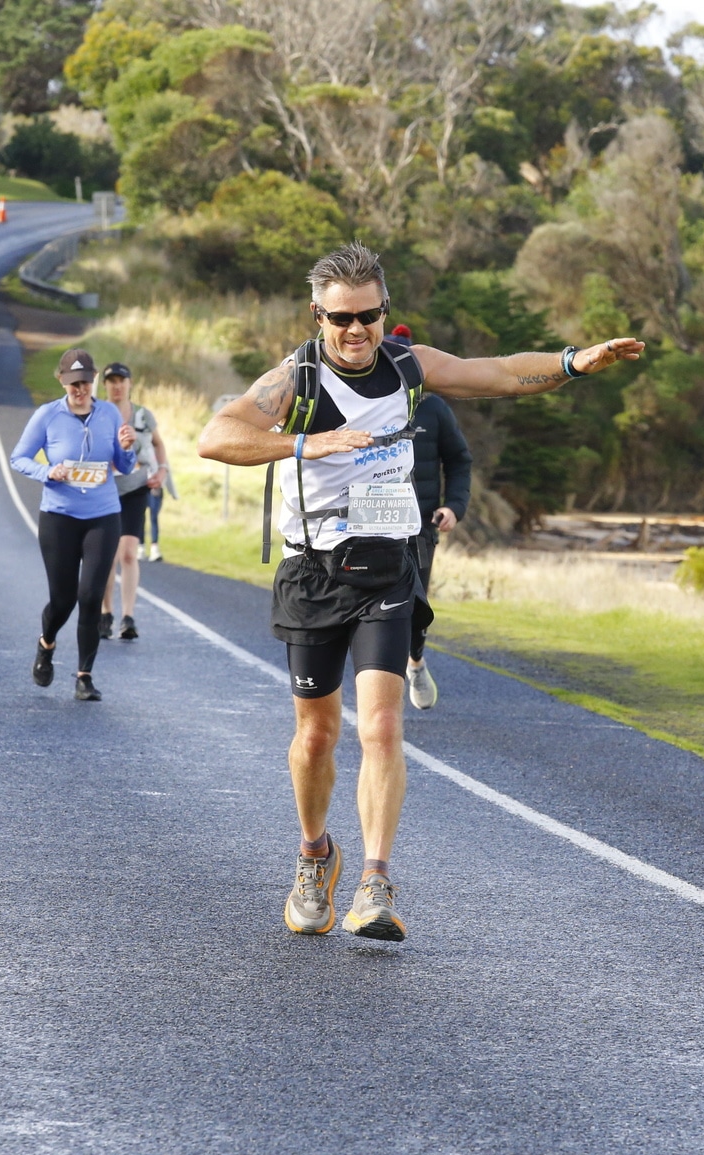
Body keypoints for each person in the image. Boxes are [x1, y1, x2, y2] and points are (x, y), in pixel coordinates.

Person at [198, 242, 643, 942]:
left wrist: (570, 363)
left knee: (379, 726)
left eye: (369, 316)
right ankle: (317, 855)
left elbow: (494, 374)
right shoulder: (295, 381)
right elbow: (216, 436)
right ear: (317, 315)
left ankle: (375, 881)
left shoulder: (408, 366)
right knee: (317, 736)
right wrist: (305, 445)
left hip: (387, 568)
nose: (356, 331)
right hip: (313, 574)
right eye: (341, 318)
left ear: (384, 312)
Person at [9, 347, 138, 701]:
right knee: (63, 599)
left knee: (91, 596)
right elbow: (18, 457)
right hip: (59, 517)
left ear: (93, 380)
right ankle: (46, 643)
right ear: (61, 382)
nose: (79, 390)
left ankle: (84, 676)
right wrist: (47, 471)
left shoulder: (109, 413)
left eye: (84, 382)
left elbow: (124, 466)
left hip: (103, 514)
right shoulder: (47, 415)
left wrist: (128, 448)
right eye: (72, 384)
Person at [401, 391, 471, 710]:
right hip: (364, 527)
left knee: (415, 608)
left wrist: (454, 506)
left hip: (420, 529)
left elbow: (459, 460)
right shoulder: (360, 399)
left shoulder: (433, 407)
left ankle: (415, 662)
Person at [99, 362, 169, 641]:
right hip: (104, 491)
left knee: (128, 553)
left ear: (129, 384)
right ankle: (106, 612)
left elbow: (158, 444)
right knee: (107, 556)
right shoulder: (97, 413)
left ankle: (128, 617)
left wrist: (162, 471)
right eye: (111, 381)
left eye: (121, 381)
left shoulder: (142, 416)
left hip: (136, 489)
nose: (117, 386)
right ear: (105, 385)